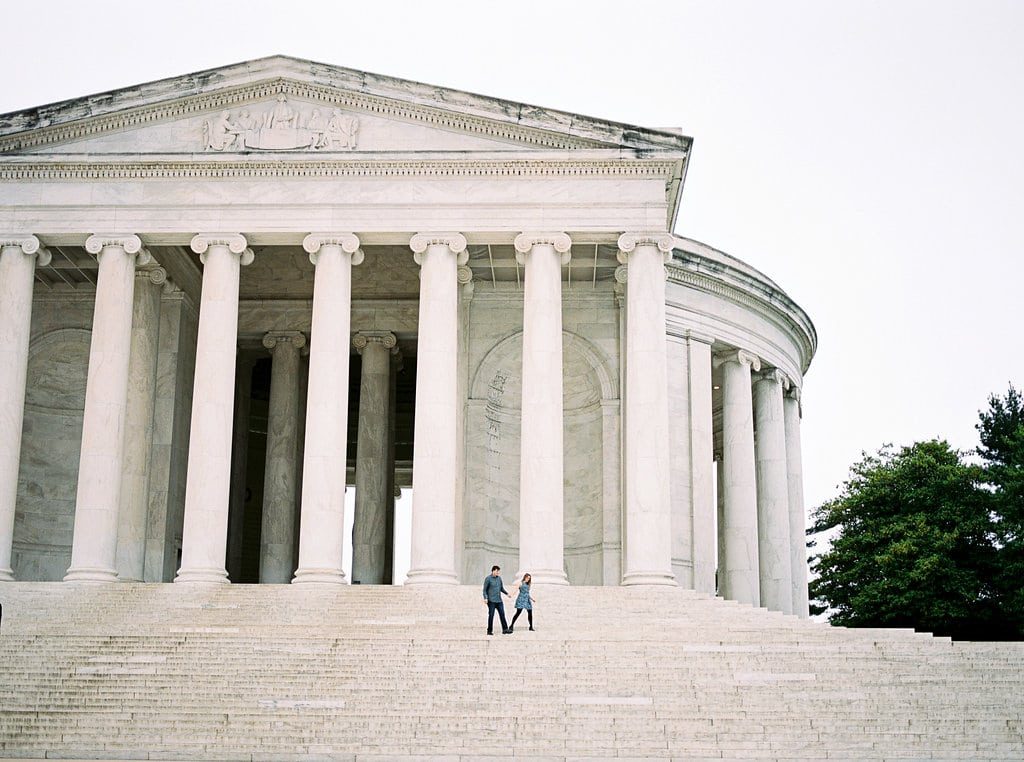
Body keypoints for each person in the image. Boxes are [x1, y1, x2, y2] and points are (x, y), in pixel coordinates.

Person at [482, 565, 511, 635]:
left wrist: (507, 594)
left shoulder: (499, 579)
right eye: (497, 571)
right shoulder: (488, 579)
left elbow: (501, 588)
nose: (498, 573)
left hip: (499, 601)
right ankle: (489, 631)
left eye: (498, 571)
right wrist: (485, 598)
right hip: (491, 601)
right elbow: (484, 590)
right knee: (491, 615)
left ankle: (505, 629)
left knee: (502, 614)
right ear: (493, 571)